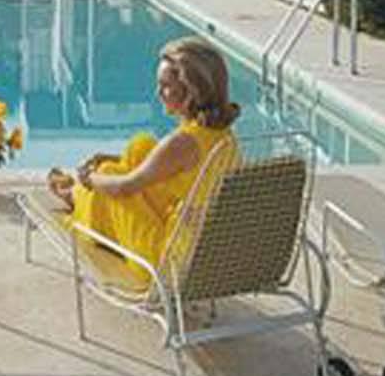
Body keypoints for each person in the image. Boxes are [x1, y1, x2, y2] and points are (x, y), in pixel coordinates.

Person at [46, 37, 240, 277]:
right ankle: (81, 195)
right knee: (142, 147)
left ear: (192, 92)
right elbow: (170, 169)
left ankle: (77, 196)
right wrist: (112, 160)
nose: (158, 92)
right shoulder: (222, 135)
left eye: (166, 86)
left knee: (109, 176)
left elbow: (124, 188)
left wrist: (90, 178)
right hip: (200, 247)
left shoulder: (183, 143)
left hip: (166, 259)